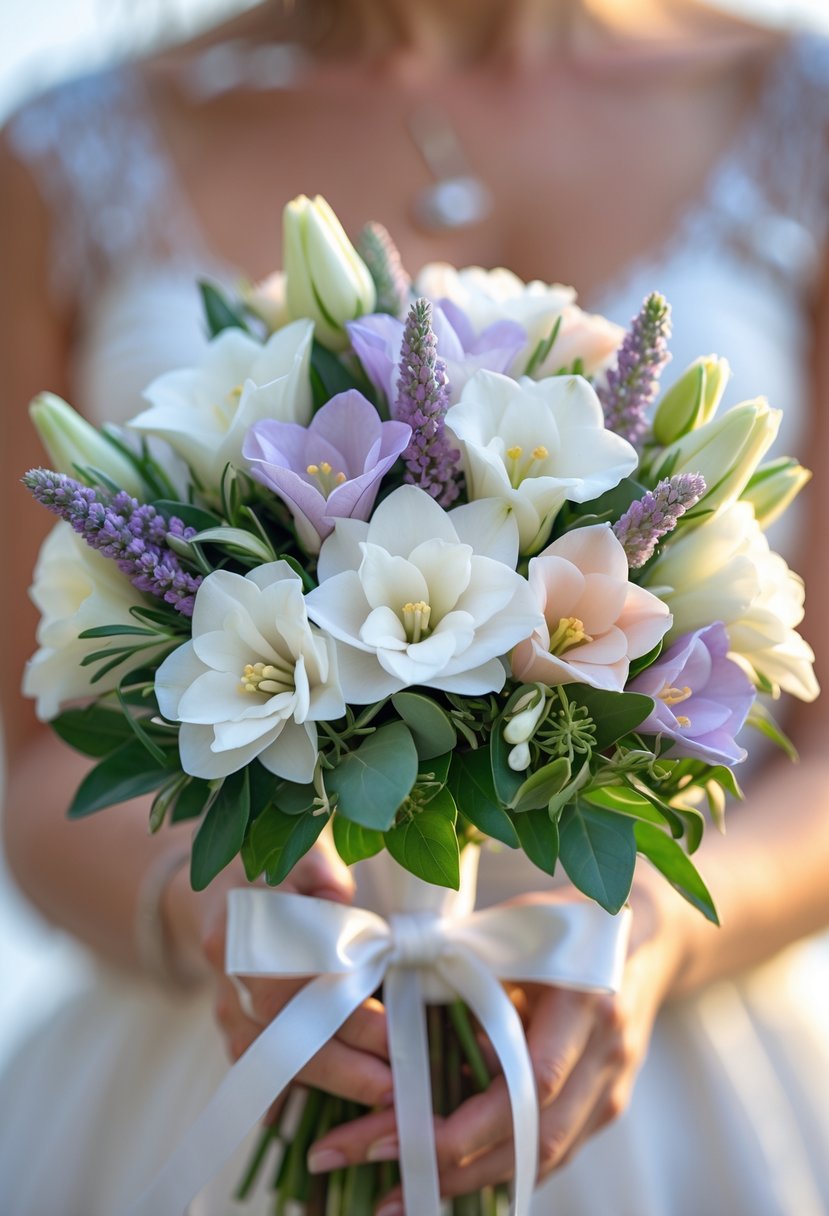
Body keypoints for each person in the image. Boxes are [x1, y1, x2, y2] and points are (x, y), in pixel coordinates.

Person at [1, 0, 829, 1212]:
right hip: (217, 1059)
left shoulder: (794, 115)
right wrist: (207, 915)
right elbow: (32, 760)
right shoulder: (64, 155)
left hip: (671, 1082)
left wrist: (652, 926)